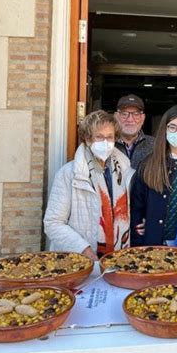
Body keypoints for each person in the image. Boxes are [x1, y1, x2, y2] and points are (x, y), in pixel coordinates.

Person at [44, 110, 134, 260]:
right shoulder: (69, 174)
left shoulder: (126, 172)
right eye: (99, 137)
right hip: (78, 261)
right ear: (87, 139)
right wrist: (84, 250)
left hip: (118, 260)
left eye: (109, 137)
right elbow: (53, 223)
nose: (105, 142)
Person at [130, 105, 177, 246]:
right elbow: (136, 206)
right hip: (156, 243)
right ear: (165, 129)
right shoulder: (148, 165)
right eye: (172, 127)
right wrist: (141, 227)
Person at [114, 94, 154, 171]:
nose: (130, 119)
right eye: (124, 114)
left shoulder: (155, 146)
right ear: (116, 116)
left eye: (136, 114)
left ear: (143, 118)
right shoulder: (107, 145)